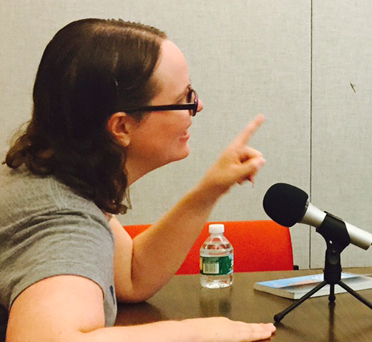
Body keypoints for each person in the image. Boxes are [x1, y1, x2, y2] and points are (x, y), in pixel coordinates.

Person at [0, 19, 276, 341]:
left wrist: (209, 190)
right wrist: (192, 331)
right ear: (122, 127)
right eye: (185, 97)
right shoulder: (63, 222)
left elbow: (131, 276)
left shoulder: (44, 173)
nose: (197, 106)